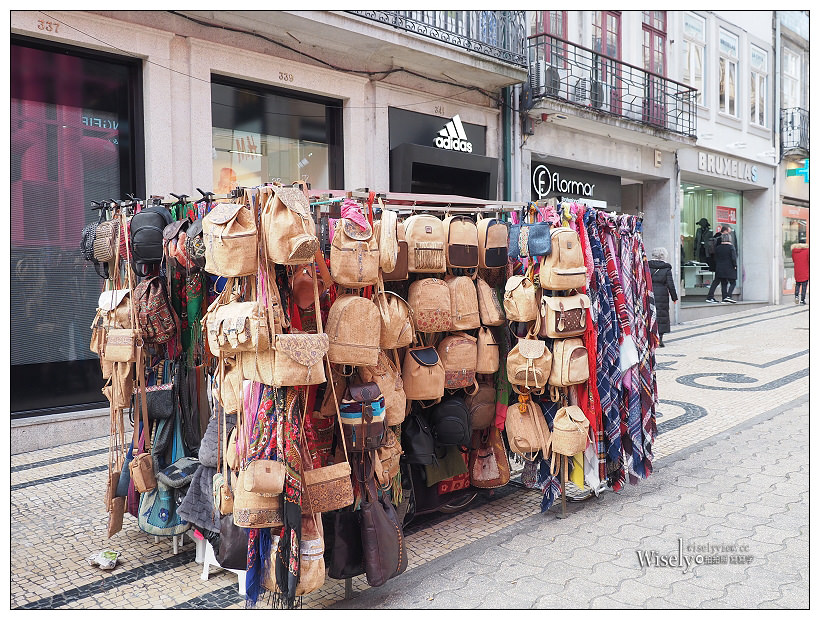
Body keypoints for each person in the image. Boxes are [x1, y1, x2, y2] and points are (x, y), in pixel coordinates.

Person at [649, 247, 678, 347]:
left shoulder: (647, 266)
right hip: (662, 294)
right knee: (661, 315)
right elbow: (671, 284)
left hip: (649, 293)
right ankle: (660, 339)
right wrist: (674, 298)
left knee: (650, 314)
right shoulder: (666, 268)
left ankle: (650, 338)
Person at [705, 234, 737, 303]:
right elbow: (733, 258)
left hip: (719, 268)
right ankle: (728, 296)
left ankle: (712, 296)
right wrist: (735, 265)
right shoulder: (731, 247)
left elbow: (715, 258)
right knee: (733, 282)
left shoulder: (718, 248)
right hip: (729, 267)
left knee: (721, 282)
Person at [791, 239, 809, 305]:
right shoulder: (807, 251)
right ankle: (802, 300)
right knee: (804, 285)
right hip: (805, 270)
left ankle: (796, 296)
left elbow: (794, 260)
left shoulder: (794, 251)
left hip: (797, 270)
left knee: (798, 284)